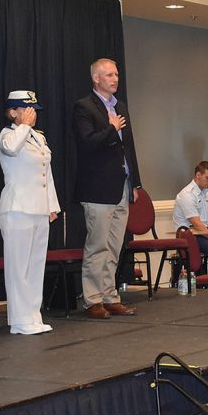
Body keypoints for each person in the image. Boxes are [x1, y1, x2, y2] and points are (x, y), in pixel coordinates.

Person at [72, 58, 141, 319]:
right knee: (97, 245)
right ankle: (92, 300)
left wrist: (135, 182)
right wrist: (112, 129)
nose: (115, 79)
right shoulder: (84, 107)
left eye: (117, 74)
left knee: (114, 246)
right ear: (96, 78)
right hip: (97, 187)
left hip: (121, 185)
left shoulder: (120, 106)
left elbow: (129, 148)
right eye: (109, 75)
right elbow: (88, 143)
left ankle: (110, 296)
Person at [0, 90, 59, 335]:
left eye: (34, 110)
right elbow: (11, 149)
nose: (32, 114)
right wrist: (24, 126)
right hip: (17, 208)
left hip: (39, 208)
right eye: (26, 109)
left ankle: (34, 314)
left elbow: (47, 174)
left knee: (35, 265)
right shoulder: (9, 134)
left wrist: (52, 205)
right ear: (14, 112)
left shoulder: (39, 138)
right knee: (18, 266)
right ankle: (20, 319)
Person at [173, 161, 208, 276]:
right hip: (190, 235)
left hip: (203, 234)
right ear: (198, 175)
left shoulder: (206, 194)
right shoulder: (187, 195)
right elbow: (197, 225)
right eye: (207, 178)